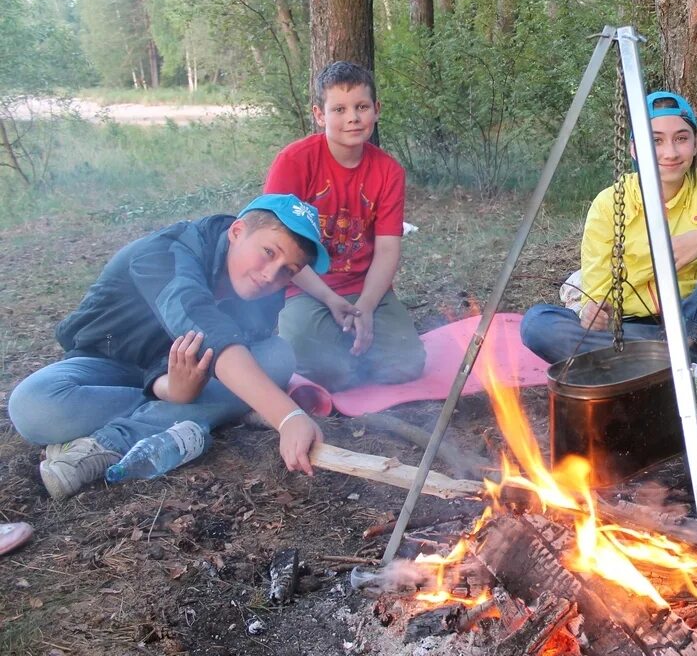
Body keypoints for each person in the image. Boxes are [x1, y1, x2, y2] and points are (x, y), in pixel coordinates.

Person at [8, 194, 331, 500]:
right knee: (34, 405)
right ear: (237, 231)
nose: (271, 274)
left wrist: (180, 387)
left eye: (288, 270)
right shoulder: (167, 251)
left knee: (277, 356)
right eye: (269, 252)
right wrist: (287, 416)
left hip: (191, 377)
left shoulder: (264, 286)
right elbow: (203, 324)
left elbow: (242, 346)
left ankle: (105, 442)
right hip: (106, 363)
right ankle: (203, 412)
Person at [521, 91, 697, 370]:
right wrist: (593, 313)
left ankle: (657, 360)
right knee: (537, 323)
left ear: (695, 145)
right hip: (627, 329)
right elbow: (596, 295)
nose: (670, 152)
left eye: (681, 138)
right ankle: (684, 366)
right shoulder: (610, 204)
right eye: (655, 141)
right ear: (635, 149)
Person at [264, 61, 426, 392]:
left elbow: (387, 248)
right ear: (320, 115)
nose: (352, 117)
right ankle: (316, 345)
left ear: (376, 110)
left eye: (361, 107)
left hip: (363, 286)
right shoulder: (294, 162)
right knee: (329, 373)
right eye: (339, 109)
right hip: (305, 286)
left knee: (408, 364)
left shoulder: (389, 172)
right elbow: (278, 249)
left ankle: (352, 341)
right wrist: (328, 298)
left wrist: (365, 307)